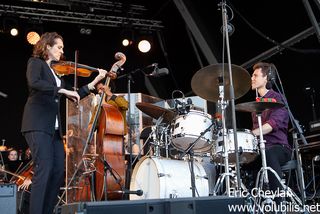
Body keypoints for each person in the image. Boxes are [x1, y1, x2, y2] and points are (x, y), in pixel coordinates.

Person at [20, 32, 113, 214]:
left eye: (62, 48)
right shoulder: (35, 63)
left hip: (53, 129)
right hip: (37, 123)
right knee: (44, 168)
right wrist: (61, 90)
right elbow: (35, 83)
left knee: (57, 171)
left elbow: (75, 94)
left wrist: (96, 80)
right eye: (59, 47)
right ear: (47, 47)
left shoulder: (56, 72)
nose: (62, 51)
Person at [247, 62, 291, 204]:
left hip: (279, 148)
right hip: (262, 149)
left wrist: (251, 134)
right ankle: (253, 202)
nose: (252, 78)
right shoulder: (256, 105)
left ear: (266, 78)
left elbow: (272, 125)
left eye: (255, 75)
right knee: (244, 160)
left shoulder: (277, 98)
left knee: (269, 153)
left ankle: (279, 202)